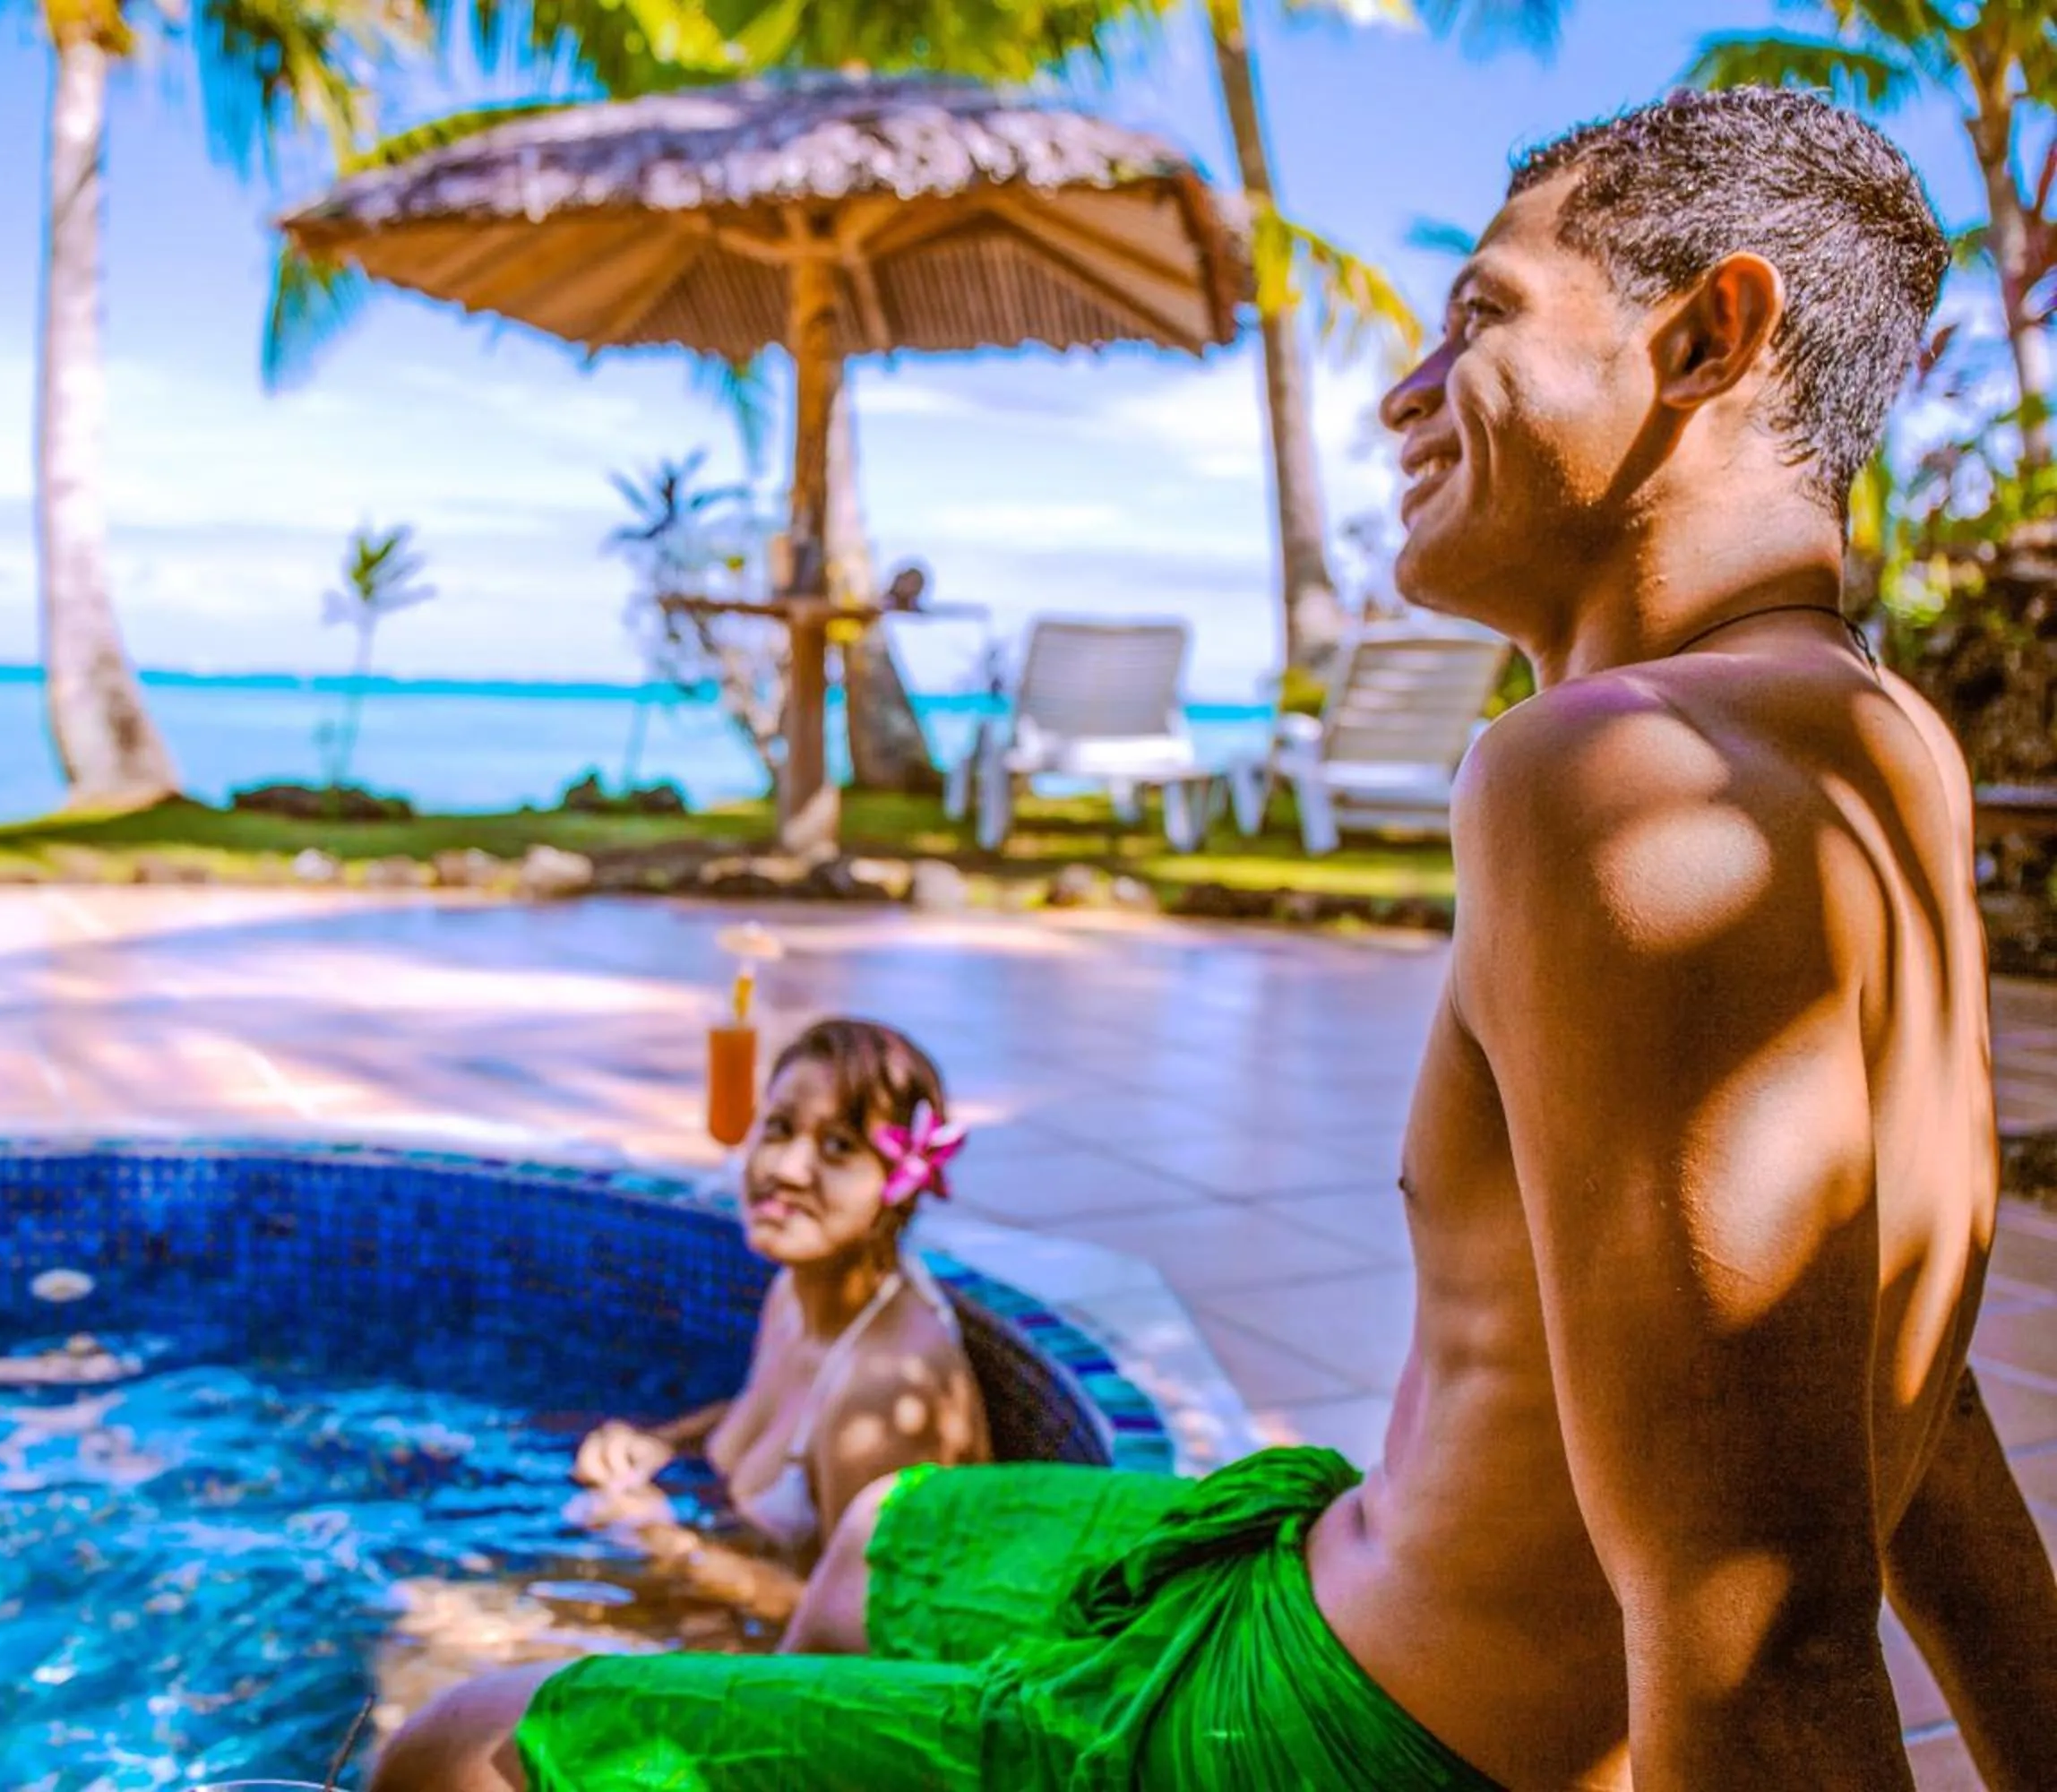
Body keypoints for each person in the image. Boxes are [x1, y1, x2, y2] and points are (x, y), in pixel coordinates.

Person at [370, 87, 2057, 1792]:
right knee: (888, 1530)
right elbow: (1902, 1396)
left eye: (1479, 317)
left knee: (470, 1748)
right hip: (1345, 1578)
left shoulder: (1618, 776)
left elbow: (1763, 1630)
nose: (1404, 393)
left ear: (1707, 340)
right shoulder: (1882, 741)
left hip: (1323, 1737)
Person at [566, 1016, 992, 1618]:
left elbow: (870, 1629)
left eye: (838, 1146)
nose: (787, 1169)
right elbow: (767, 1414)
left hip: (766, 1650)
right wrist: (659, 1443)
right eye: (779, 1128)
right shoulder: (796, 1292)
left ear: (901, 1186)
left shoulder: (884, 1390)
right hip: (718, 1603)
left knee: (457, 1631)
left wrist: (664, 1543)